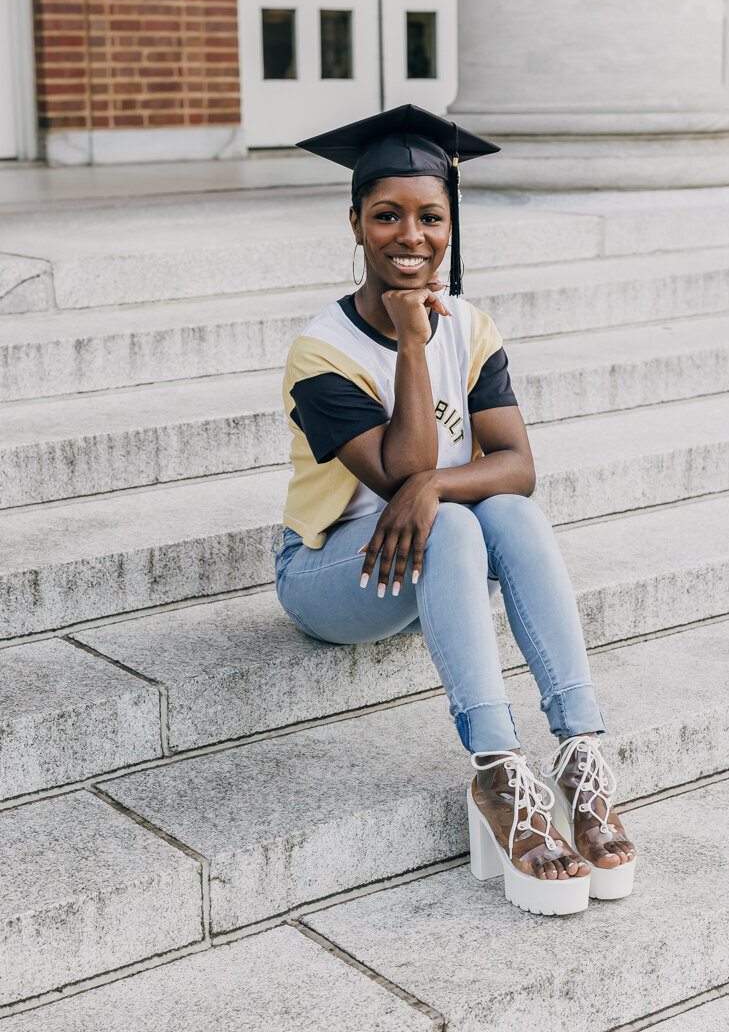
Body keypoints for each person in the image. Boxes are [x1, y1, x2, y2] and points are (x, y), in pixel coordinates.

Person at [273, 105, 636, 916]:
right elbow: (405, 471)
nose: (412, 235)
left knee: (503, 513)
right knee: (461, 513)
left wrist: (438, 487)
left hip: (438, 552)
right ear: (357, 225)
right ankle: (501, 773)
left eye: (430, 216)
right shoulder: (321, 350)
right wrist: (408, 344)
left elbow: (520, 467)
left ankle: (580, 753)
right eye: (388, 216)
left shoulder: (469, 325)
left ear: (451, 222)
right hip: (334, 571)